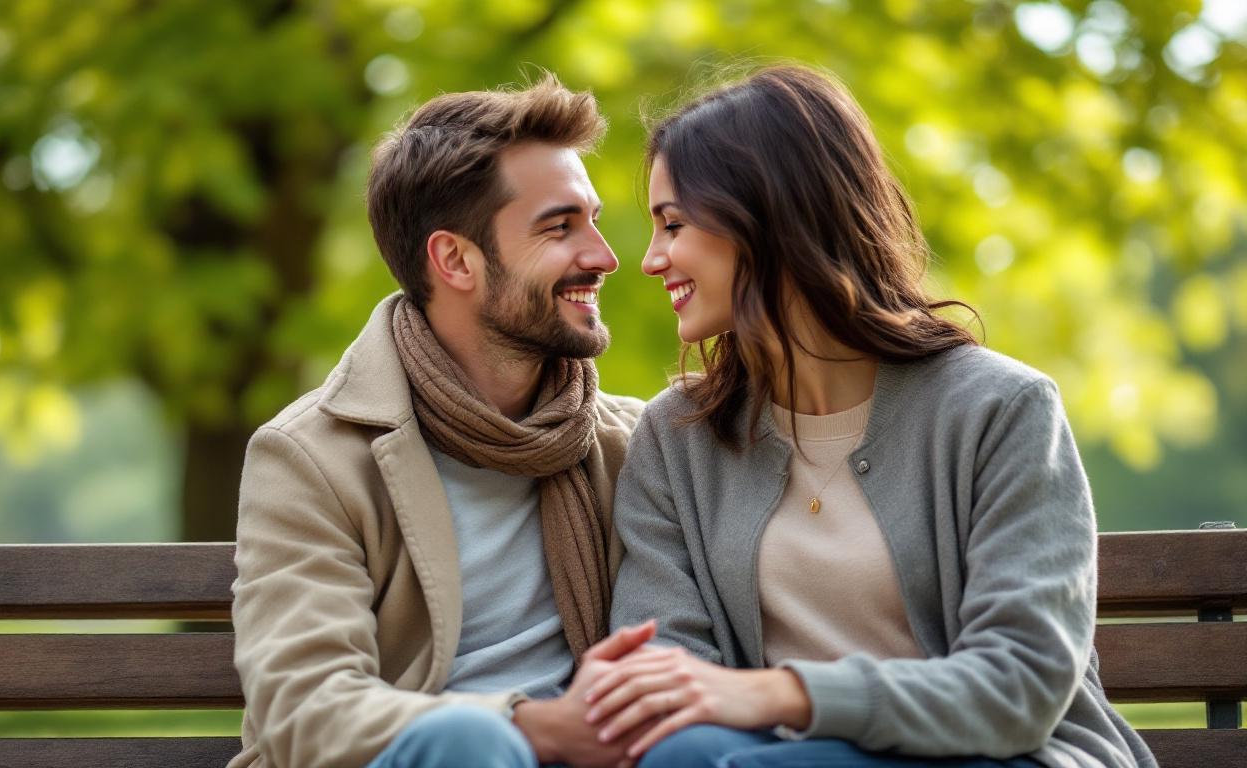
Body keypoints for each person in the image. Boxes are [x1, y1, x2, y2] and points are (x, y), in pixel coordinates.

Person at [590, 65, 1156, 768]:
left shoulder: (1000, 410)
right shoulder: (678, 438)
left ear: (768, 213)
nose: (649, 260)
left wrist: (785, 695)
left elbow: (1022, 685)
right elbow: (668, 683)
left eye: (673, 224)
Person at [226, 75, 653, 768]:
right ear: (456, 259)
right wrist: (529, 728)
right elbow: (305, 712)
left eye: (594, 219)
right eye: (559, 227)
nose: (604, 257)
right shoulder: (310, 459)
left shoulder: (627, 445)